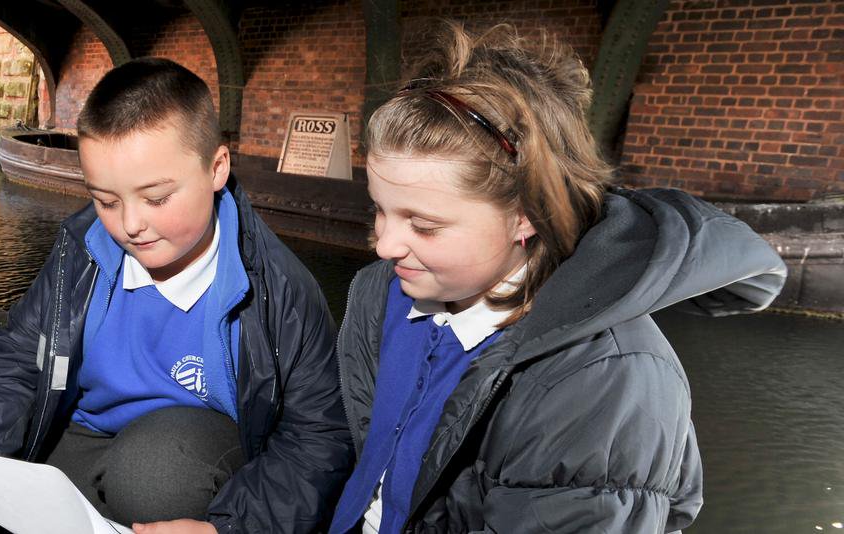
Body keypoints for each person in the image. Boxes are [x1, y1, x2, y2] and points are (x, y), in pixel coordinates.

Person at [328, 22, 786, 533]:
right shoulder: (383, 293)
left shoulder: (606, 383)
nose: (384, 245)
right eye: (379, 210)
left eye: (425, 226)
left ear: (525, 215)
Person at [0, 58, 353, 534]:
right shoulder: (80, 249)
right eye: (106, 201)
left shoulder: (282, 290)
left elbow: (317, 436)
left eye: (156, 198)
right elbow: (23, 353)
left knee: (155, 475)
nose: (129, 225)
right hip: (86, 432)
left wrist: (230, 529)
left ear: (217, 168)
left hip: (190, 456)